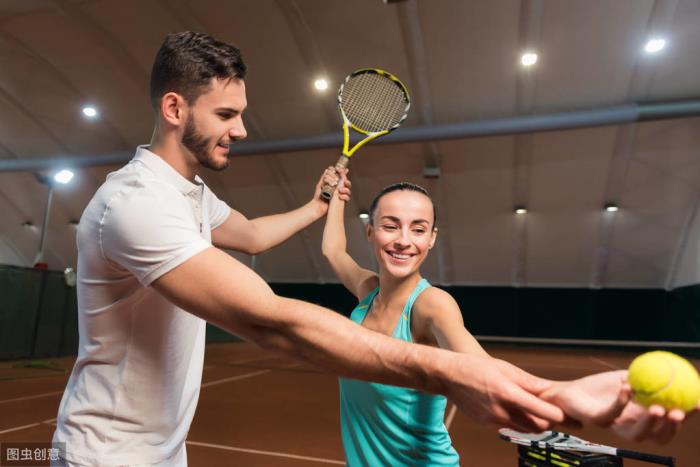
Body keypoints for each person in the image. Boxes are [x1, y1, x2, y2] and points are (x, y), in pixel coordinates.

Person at [52, 31, 575, 467]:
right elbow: (271, 320)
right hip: (107, 453)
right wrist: (454, 372)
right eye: (227, 114)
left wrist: (316, 204)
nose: (241, 129)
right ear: (174, 108)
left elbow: (252, 236)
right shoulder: (137, 204)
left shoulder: (189, 195)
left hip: (161, 450)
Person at [321, 176, 695, 466]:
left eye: (418, 229)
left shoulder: (431, 305)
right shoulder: (367, 291)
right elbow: (333, 250)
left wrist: (557, 392)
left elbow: (482, 368)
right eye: (390, 225)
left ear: (432, 239)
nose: (404, 240)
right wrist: (335, 198)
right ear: (370, 231)